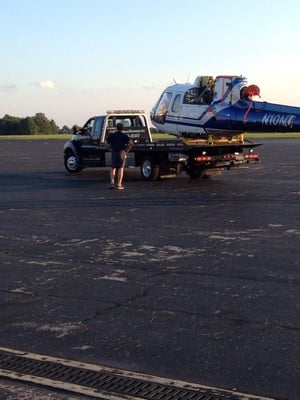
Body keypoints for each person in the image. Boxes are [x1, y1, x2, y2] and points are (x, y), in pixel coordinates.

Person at [105, 122, 133, 190]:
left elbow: (105, 142)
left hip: (114, 152)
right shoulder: (124, 136)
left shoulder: (112, 135)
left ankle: (112, 183)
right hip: (121, 152)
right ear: (122, 128)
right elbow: (131, 143)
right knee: (120, 168)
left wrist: (109, 148)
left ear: (116, 128)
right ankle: (119, 184)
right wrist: (126, 150)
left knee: (113, 168)